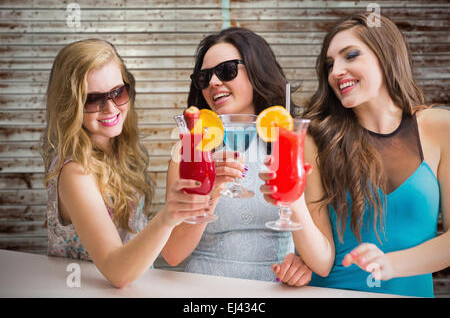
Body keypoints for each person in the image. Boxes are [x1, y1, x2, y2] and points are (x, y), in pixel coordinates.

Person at [260, 12, 449, 297]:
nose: (336, 71)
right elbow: (321, 263)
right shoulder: (315, 138)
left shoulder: (440, 128)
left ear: (386, 57)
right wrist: (293, 200)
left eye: (350, 55)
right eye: (330, 64)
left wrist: (391, 264)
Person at [40, 39, 212, 288]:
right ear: (70, 105)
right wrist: (168, 216)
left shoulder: (118, 148)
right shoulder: (76, 171)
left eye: (117, 92)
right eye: (93, 99)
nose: (110, 108)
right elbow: (117, 272)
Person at [157, 27, 312, 286]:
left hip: (276, 287)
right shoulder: (189, 150)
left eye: (227, 70)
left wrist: (303, 264)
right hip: (205, 288)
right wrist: (210, 194)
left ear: (256, 70)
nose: (214, 82)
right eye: (204, 78)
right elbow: (172, 254)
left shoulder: (293, 142)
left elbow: (319, 245)